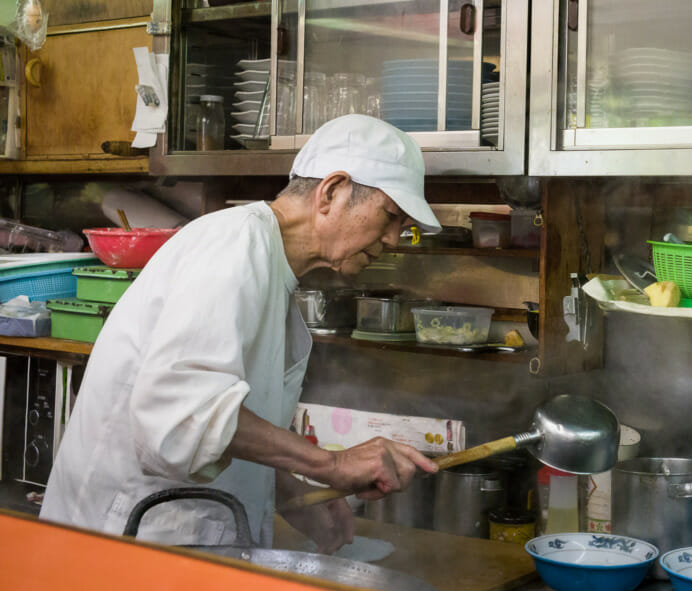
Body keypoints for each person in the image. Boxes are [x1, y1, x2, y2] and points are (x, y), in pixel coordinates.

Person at [41, 115, 442, 553]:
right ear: (332, 191)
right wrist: (331, 464)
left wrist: (295, 497)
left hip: (175, 543)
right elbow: (186, 413)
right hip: (123, 548)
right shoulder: (233, 245)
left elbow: (225, 425)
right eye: (390, 216)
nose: (393, 239)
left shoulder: (271, 265)